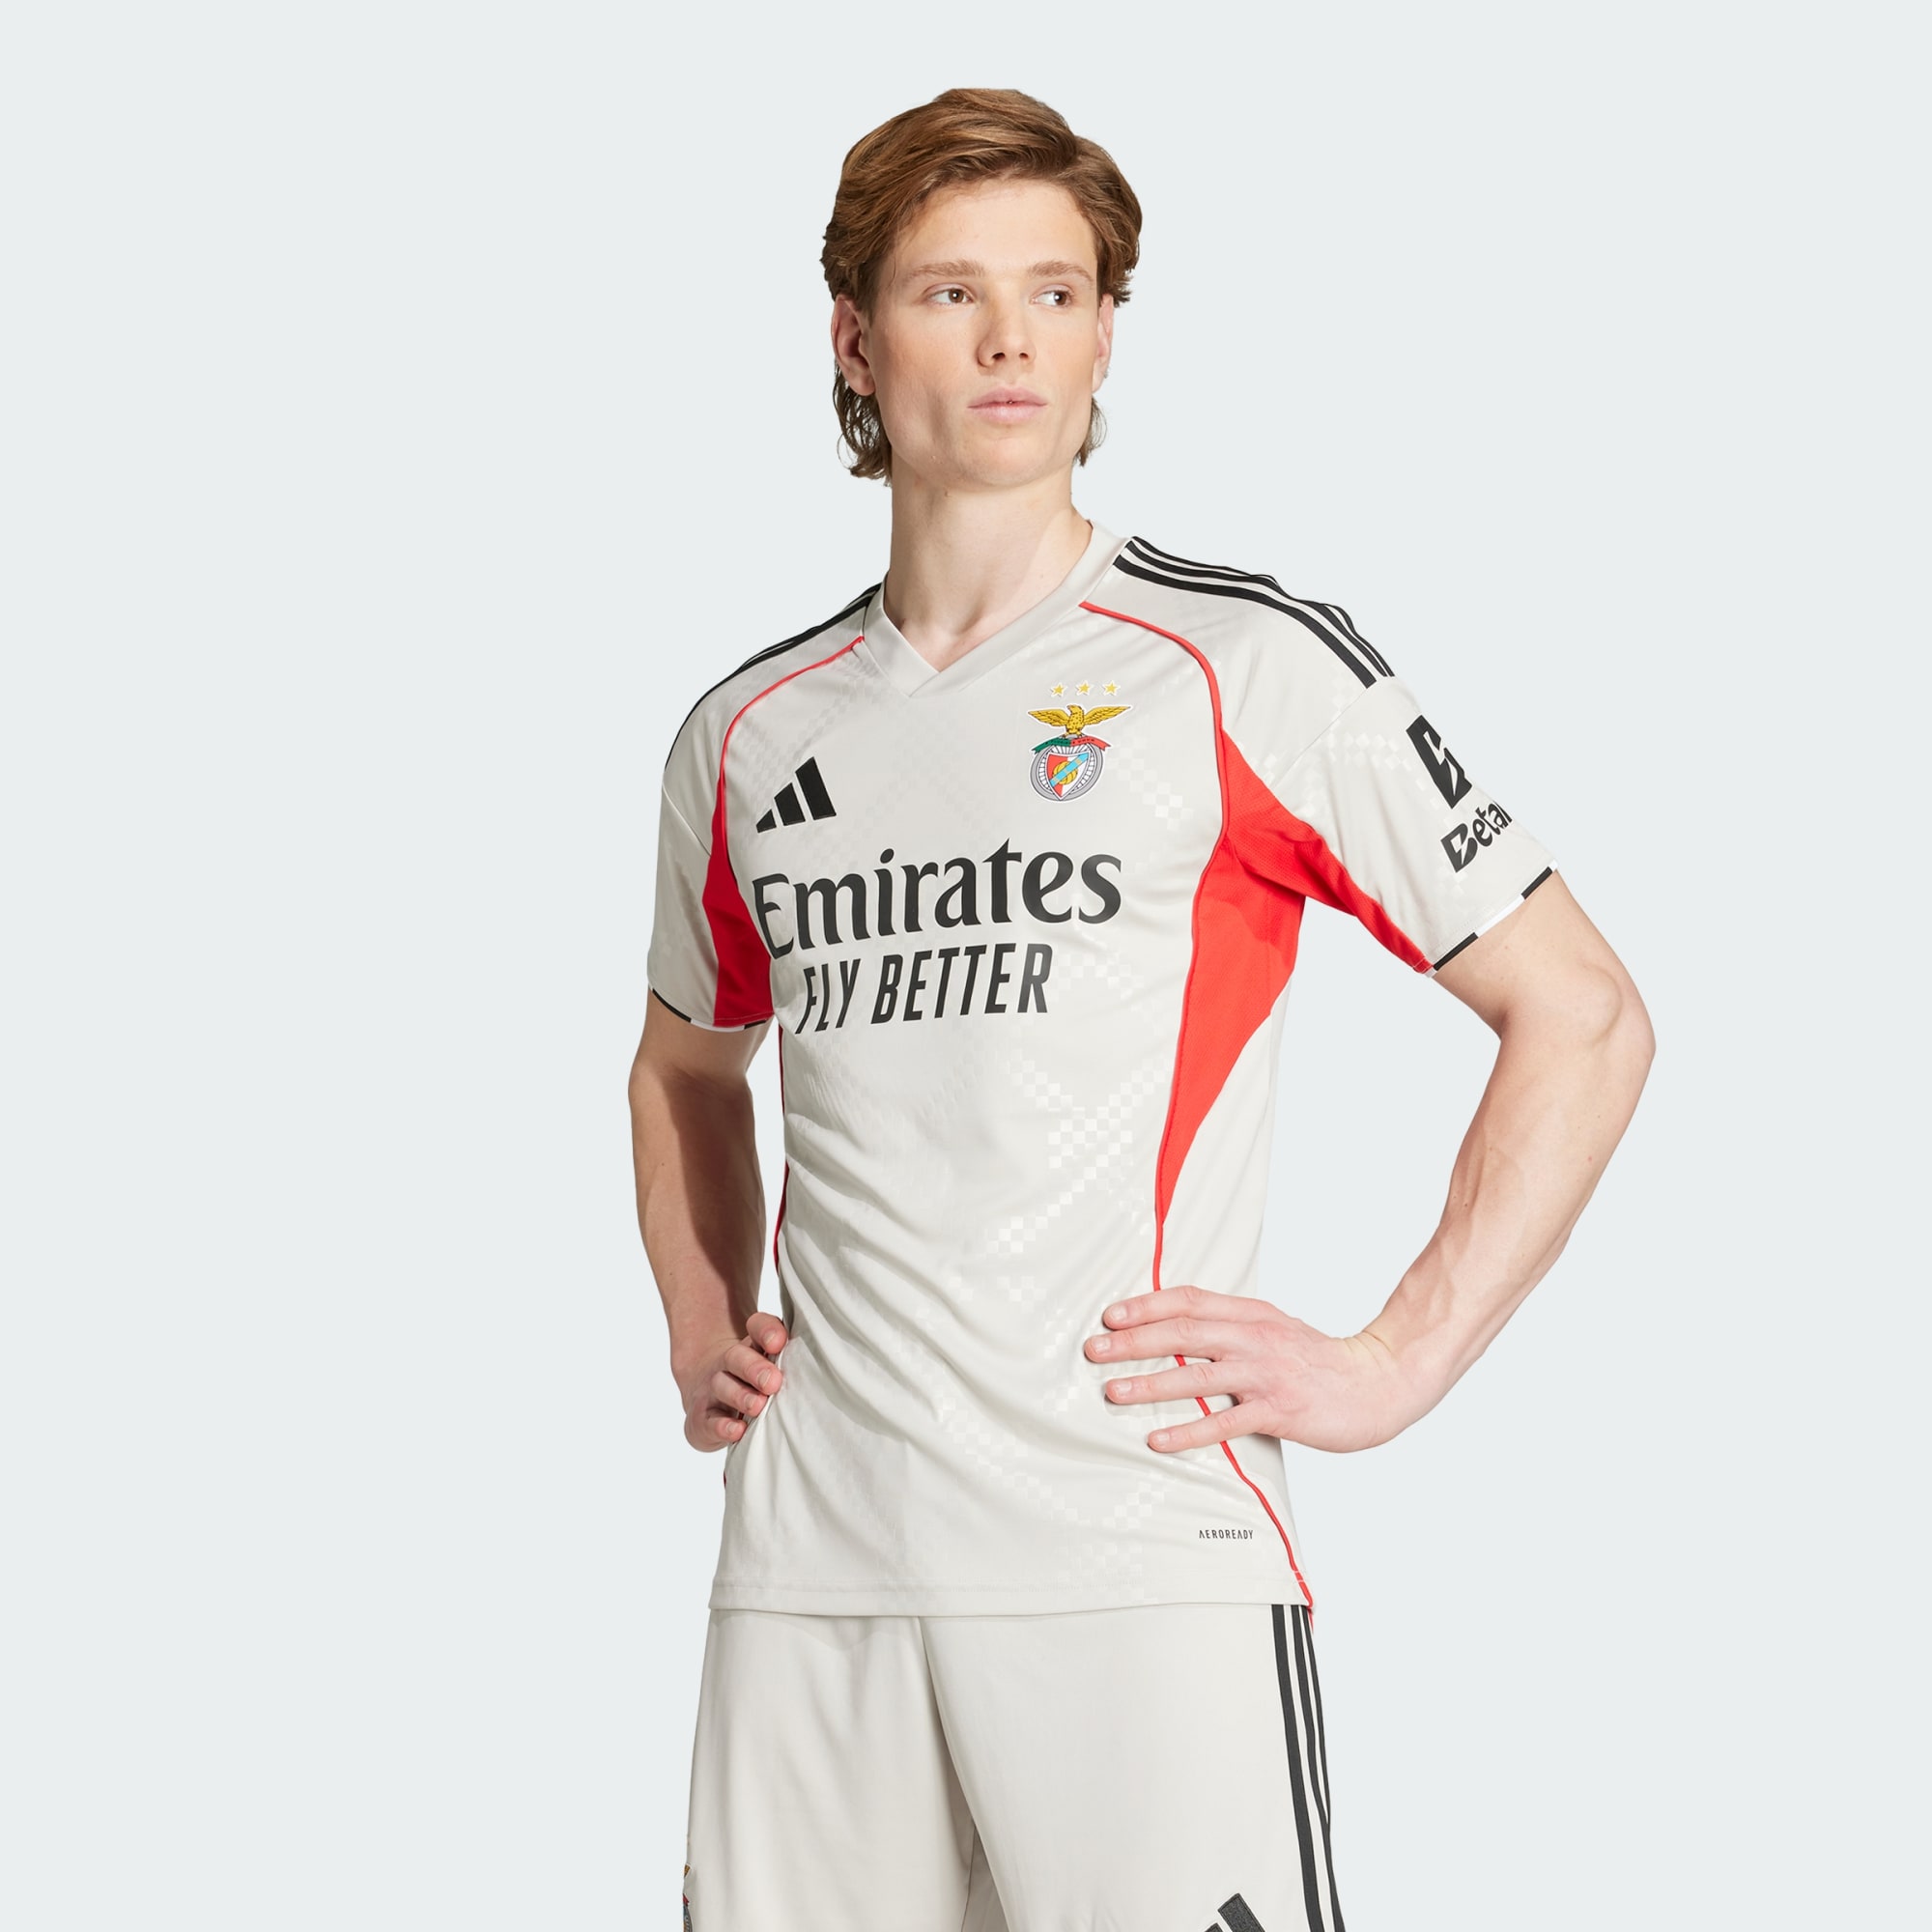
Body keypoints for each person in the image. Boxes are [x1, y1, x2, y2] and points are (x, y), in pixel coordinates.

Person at [629, 86, 1653, 1932]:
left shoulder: (1244, 663)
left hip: (1132, 1551)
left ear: (1107, 333)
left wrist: (1393, 1361)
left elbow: (1580, 1014)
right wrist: (703, 1314)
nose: (1010, 339)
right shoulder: (748, 734)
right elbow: (685, 1064)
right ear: (854, 341)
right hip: (810, 1569)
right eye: (950, 292)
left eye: (1058, 291)